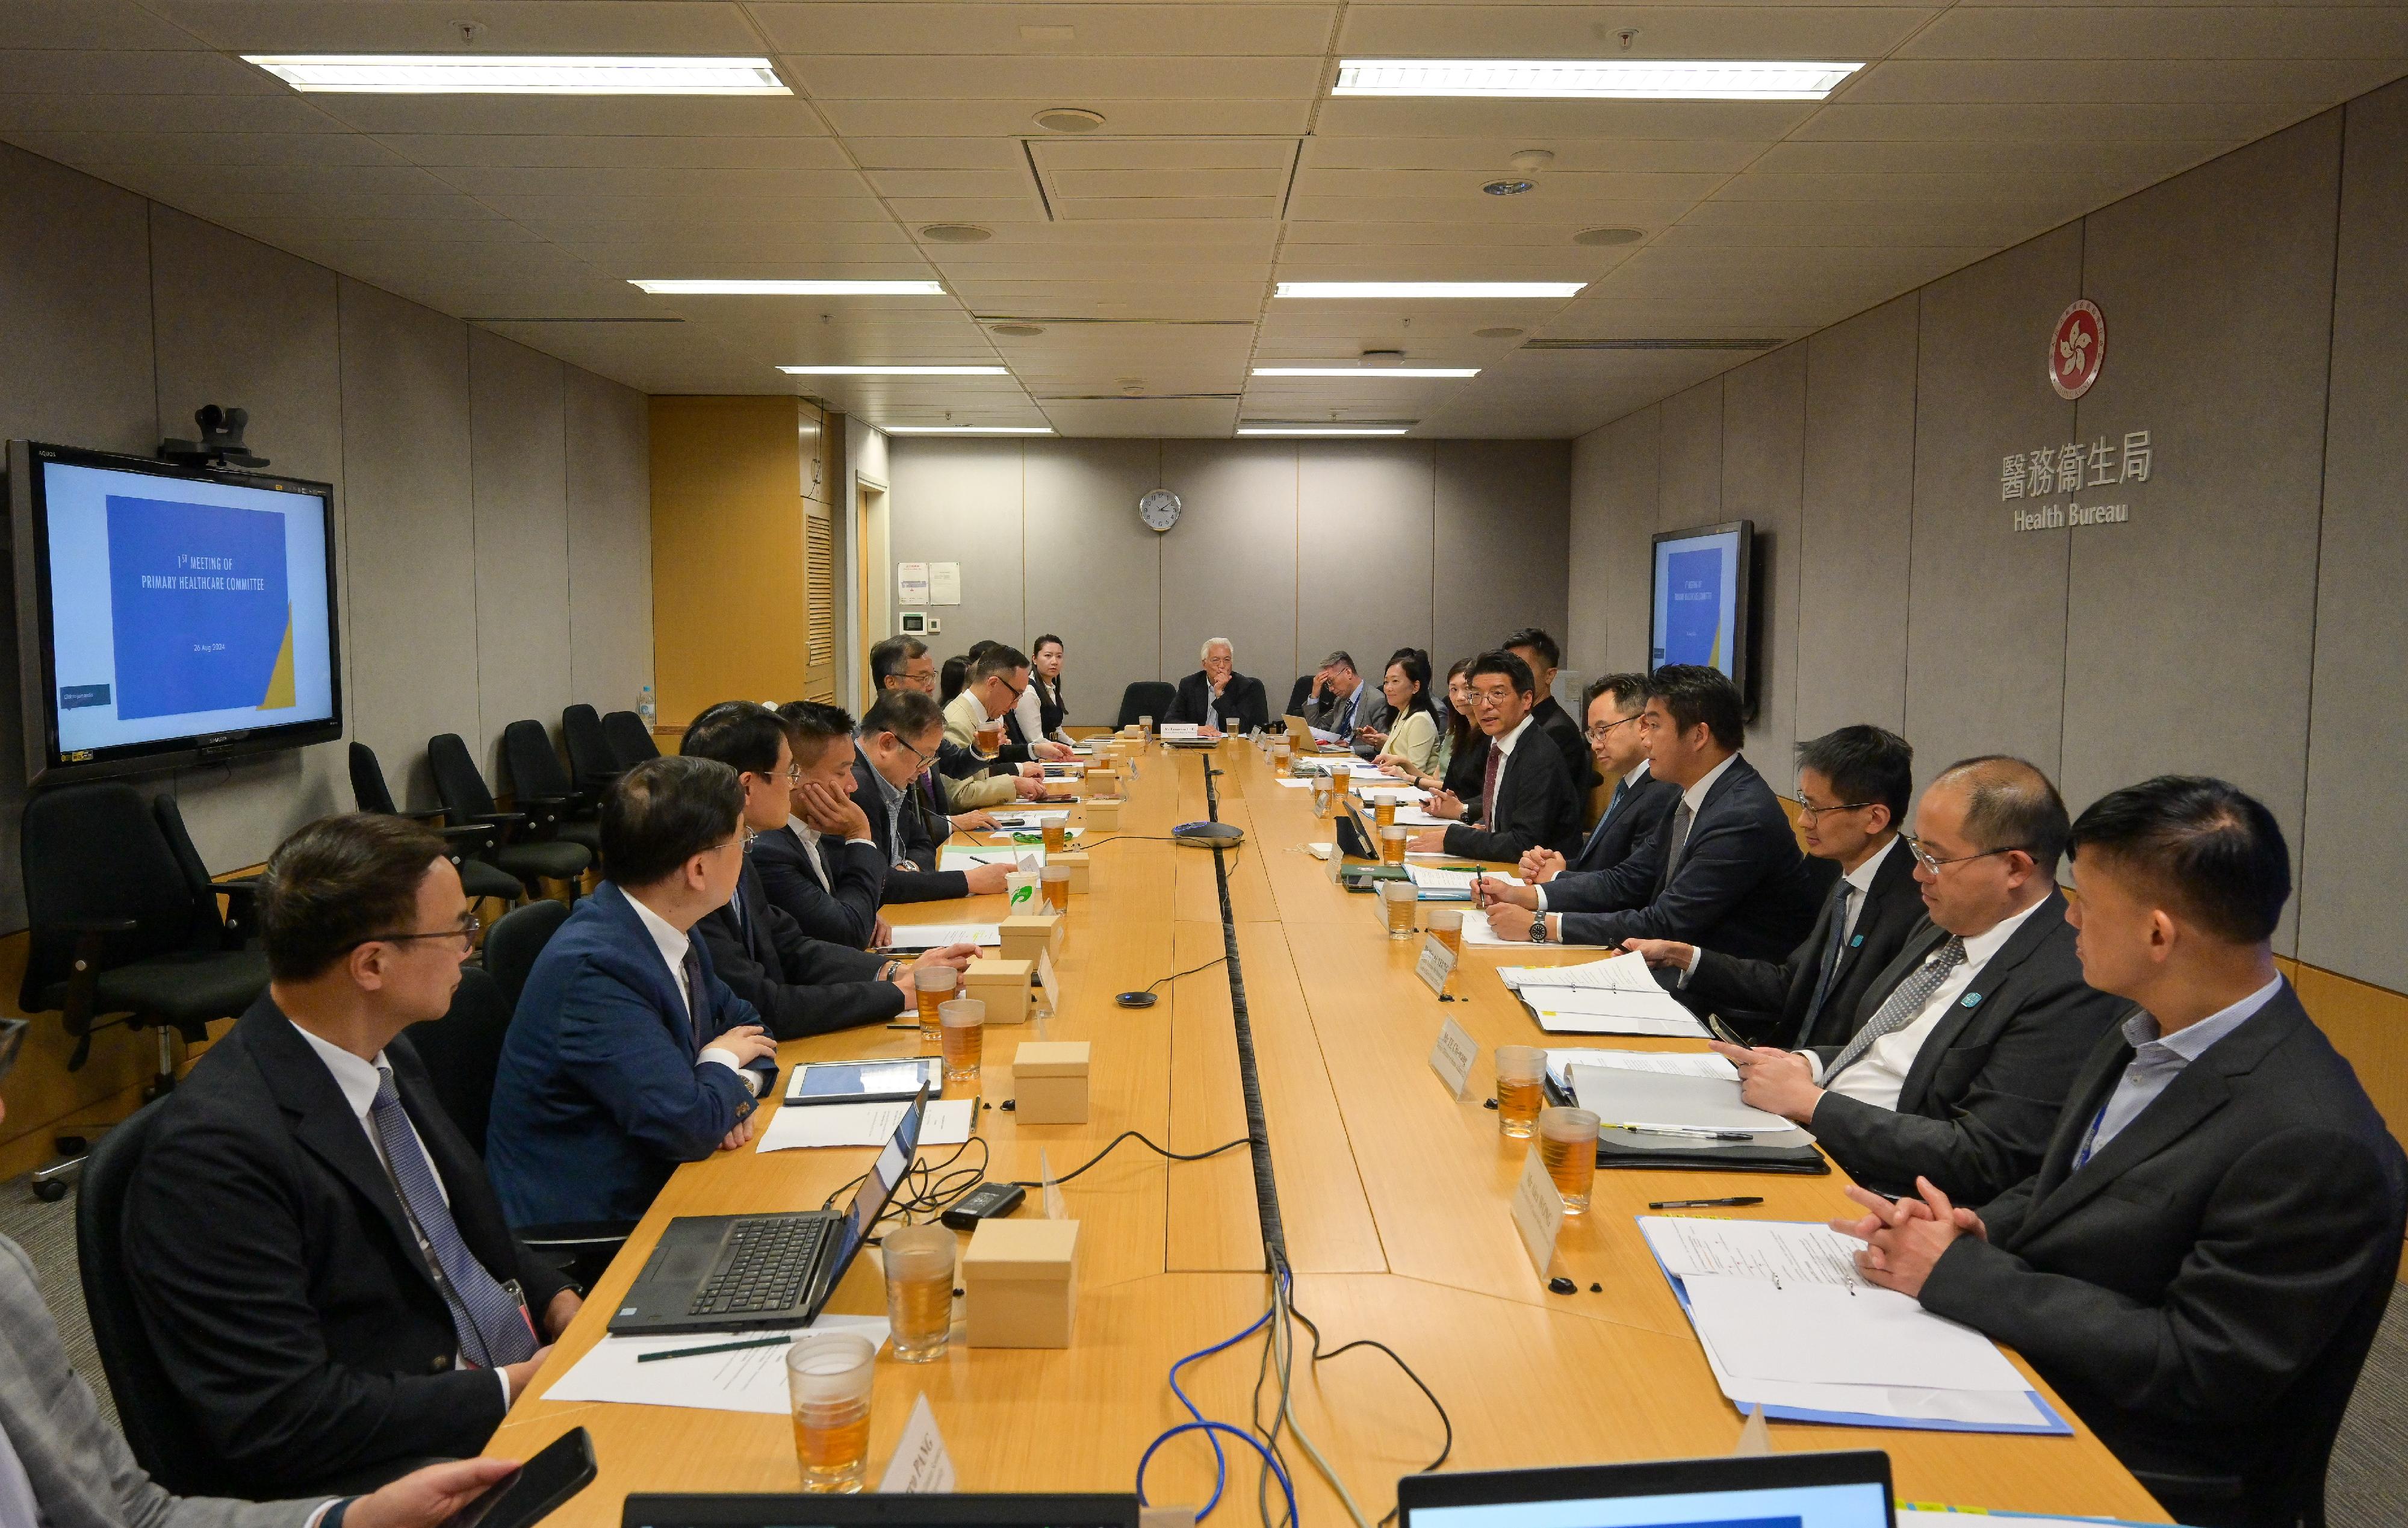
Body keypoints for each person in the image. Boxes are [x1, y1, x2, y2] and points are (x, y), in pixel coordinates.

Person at [1832, 777, 2407, 1528]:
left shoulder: (2311, 1141)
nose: (2066, 917)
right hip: (2031, 1367)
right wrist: (1973, 1228)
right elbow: (2064, 1184)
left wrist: (1962, 1275)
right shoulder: (2143, 1026)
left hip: (2140, 1469)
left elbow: (2200, 1370)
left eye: (2086, 903)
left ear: (2158, 935)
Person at [123, 816, 579, 1497]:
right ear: (371, 965)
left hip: (513, 1390)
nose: (467, 947)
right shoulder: (212, 1157)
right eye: (457, 928)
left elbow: (470, 1238)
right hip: (405, 1471)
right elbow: (283, 1418)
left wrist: (561, 1302)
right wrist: (512, 1387)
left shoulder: (386, 1049)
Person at [3, 1043, 518, 1528]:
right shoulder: (217, 1145)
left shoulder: (6, 1280)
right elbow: (282, 1420)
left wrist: (347, 1521)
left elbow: (132, 1514)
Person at [1701, 756, 2123, 1202]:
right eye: (1918, 851)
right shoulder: (1945, 921)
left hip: (1880, 1186)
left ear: (2015, 868)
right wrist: (1808, 1064)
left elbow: (1986, 1156)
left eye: (1936, 859)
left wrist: (1814, 1104)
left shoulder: (2069, 979)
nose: (1918, 874)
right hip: (1811, 1131)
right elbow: (1883, 1045)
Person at [486, 756, 779, 1228]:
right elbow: (690, 1126)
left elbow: (754, 1028)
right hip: (602, 1226)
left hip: (673, 1178)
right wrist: (722, 1064)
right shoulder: (595, 973)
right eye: (742, 839)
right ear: (699, 870)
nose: (748, 852)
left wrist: (733, 1091)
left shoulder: (670, 923)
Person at [1476, 665, 1821, 959]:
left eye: (1653, 725)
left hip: (1714, 996)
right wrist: (1523, 895)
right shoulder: (1692, 794)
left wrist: (1541, 926)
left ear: (1699, 735)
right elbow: (1629, 879)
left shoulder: (1741, 815)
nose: (1646, 738)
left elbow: (1665, 923)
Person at [681, 702, 975, 1036]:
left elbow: (791, 946)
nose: (793, 785)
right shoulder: (721, 865)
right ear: (747, 786)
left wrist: (894, 973)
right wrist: (895, 992)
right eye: (790, 771)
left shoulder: (740, 852)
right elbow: (766, 1003)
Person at [1626, 724, 1923, 1048]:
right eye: (1803, 803)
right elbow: (1792, 983)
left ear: (1875, 818)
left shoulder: (1917, 903)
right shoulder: (1832, 869)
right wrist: (1683, 956)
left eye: (1816, 808)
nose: (1803, 821)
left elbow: (1883, 1035)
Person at [1405, 650, 1579, 864]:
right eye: (1476, 695)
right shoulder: (1501, 743)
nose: (1485, 705)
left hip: (1537, 878)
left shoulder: (1539, 755)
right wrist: (1483, 828)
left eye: (1497, 694)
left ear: (1526, 699)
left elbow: (1525, 843)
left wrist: (1455, 838)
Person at [1515, 673, 1678, 886]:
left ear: (1643, 725)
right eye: (1592, 734)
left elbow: (1630, 886)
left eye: (1603, 731)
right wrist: (1559, 868)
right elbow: (1597, 867)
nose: (1595, 745)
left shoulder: (1661, 792)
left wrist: (1558, 877)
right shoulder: (1628, 784)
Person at [854, 688, 1013, 901]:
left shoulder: (891, 774)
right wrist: (969, 881)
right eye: (924, 758)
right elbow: (880, 883)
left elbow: (923, 843)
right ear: (887, 743)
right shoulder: (854, 786)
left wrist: (908, 868)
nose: (924, 769)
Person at [757, 699, 887, 947]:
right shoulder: (769, 850)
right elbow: (849, 934)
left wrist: (863, 912)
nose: (853, 785)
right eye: (841, 772)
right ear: (792, 774)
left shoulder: (811, 826)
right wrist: (859, 834)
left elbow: (842, 912)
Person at [869, 634, 1036, 813]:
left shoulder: (922, 726)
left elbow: (954, 763)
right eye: (922, 678)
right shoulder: (880, 738)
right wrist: (951, 824)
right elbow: (904, 819)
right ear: (891, 682)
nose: (931, 686)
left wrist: (978, 750)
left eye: (932, 676)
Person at [1503, 626, 1599, 795]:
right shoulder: (1516, 721)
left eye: (1523, 669)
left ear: (1550, 675)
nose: (1513, 678)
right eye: (1508, 670)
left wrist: (1465, 810)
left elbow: (1536, 799)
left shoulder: (1557, 731)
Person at [944, 645, 1073, 765]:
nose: (1015, 705)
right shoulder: (957, 722)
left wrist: (1037, 750)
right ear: (993, 684)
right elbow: (963, 788)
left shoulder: (979, 713)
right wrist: (1016, 779)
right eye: (1016, 694)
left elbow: (996, 758)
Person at [1382, 659, 1478, 796]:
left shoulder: (1420, 718)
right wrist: (1403, 763)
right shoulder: (1454, 731)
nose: (1460, 697)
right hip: (1437, 799)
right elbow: (1435, 780)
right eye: (1454, 689)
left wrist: (1407, 776)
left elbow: (1460, 789)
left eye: (1467, 688)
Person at [1167, 637, 1269, 735]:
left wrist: (1220, 694)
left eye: (1227, 660)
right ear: (1204, 664)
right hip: (1197, 747)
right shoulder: (1189, 685)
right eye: (1216, 660)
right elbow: (1169, 722)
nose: (1222, 666)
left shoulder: (1244, 686)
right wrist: (1196, 730)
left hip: (1231, 747)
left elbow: (1244, 728)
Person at [1367, 651, 1444, 778]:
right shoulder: (1403, 713)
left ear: (1415, 687)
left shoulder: (1420, 719)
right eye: (1386, 682)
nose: (1388, 688)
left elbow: (1415, 770)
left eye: (1395, 681)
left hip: (1414, 791)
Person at [1301, 650, 1388, 757]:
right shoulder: (1341, 700)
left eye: (1331, 681)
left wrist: (1350, 749)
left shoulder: (1376, 700)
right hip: (1336, 758)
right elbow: (1315, 729)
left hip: (1361, 762)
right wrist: (1315, 695)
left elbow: (1386, 745)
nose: (1330, 689)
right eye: (1327, 684)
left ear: (1348, 673)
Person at [1020, 633, 1073, 745]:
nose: (1055, 662)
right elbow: (1035, 740)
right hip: (1036, 757)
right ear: (1035, 659)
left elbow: (1058, 733)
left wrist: (1077, 746)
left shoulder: (1053, 689)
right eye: (1048, 656)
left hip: (1052, 752)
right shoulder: (1029, 691)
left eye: (1059, 656)